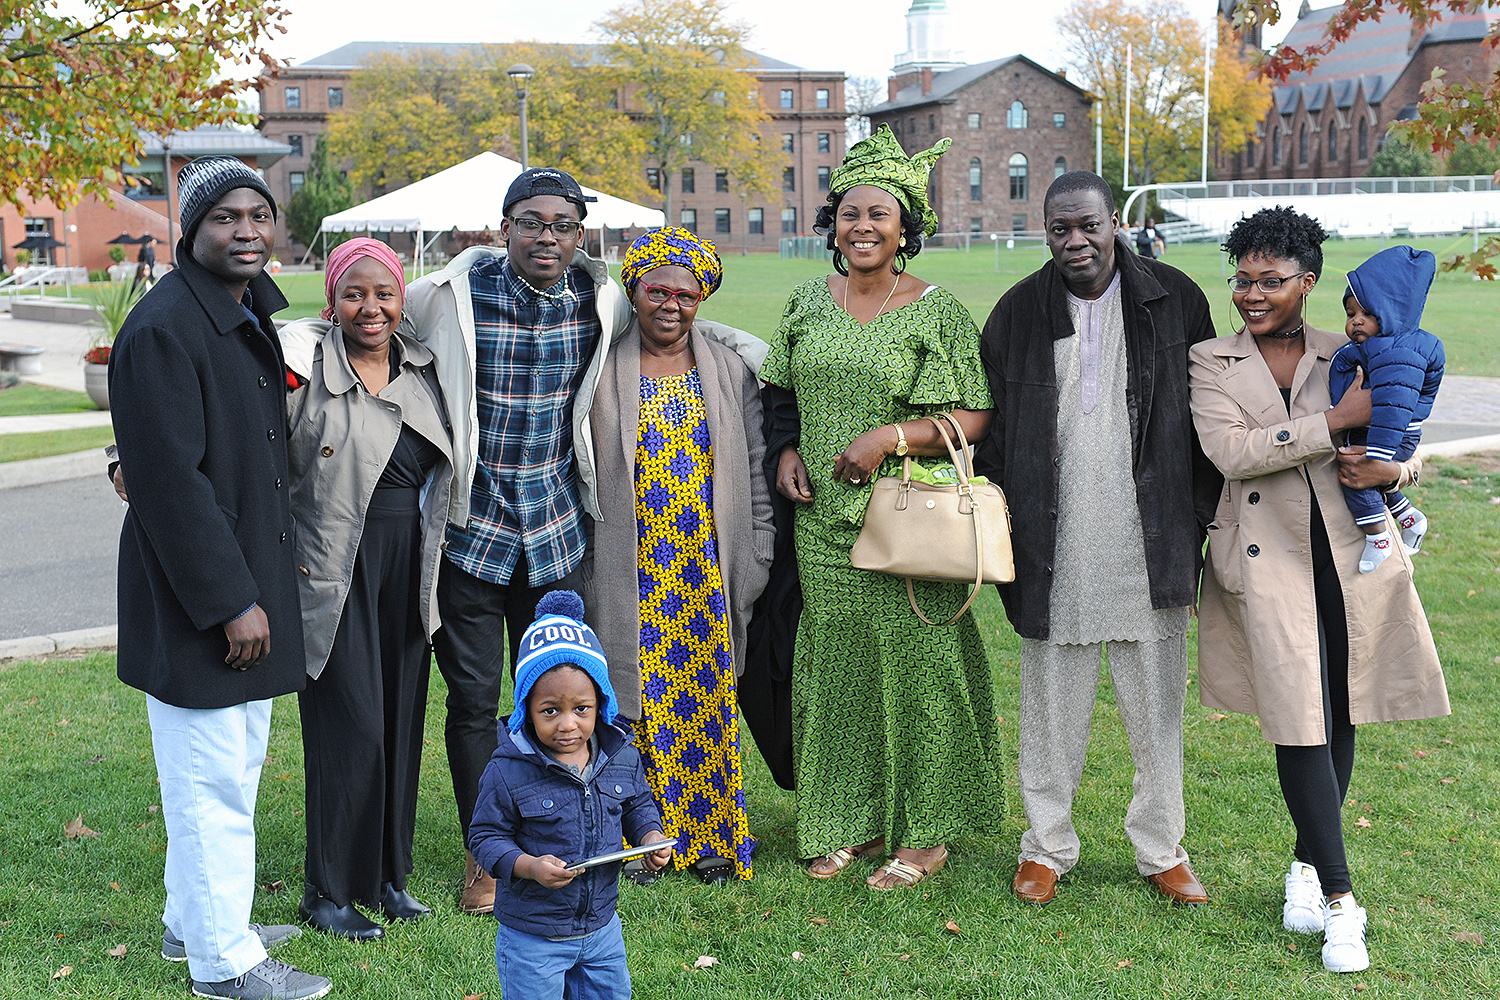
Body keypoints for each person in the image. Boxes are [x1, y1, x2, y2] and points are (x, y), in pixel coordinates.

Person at [389, 166, 764, 913]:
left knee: (558, 700)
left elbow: (687, 317)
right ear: (504, 227)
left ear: (580, 235)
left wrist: (767, 359)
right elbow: (369, 324)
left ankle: (562, 829)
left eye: (562, 224)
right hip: (473, 532)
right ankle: (486, 858)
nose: (547, 236)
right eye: (532, 222)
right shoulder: (448, 299)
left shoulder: (600, 303)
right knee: (472, 702)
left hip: (556, 541)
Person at [1189, 205, 1448, 973]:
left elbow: (1406, 434)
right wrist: (1338, 419)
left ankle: (1303, 867)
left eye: (1271, 281)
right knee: (1299, 720)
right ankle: (1341, 900)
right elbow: (1231, 452)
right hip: (1266, 563)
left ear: (1308, 282)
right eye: (1242, 280)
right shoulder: (1211, 360)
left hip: (1349, 557)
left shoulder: (1355, 345)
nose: (1252, 295)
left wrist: (1395, 471)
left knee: (1340, 707)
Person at [760, 123, 1004, 890]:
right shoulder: (806, 301)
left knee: (920, 668)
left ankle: (926, 833)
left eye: (879, 215)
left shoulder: (937, 311)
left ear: (906, 229)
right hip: (821, 525)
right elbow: (780, 391)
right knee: (836, 670)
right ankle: (848, 821)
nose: (862, 228)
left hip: (906, 521)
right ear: (832, 226)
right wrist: (787, 448)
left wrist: (890, 437)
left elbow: (974, 418)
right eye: (849, 215)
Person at [108, 157, 329, 1000]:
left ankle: (193, 921)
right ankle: (225, 966)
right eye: (226, 217)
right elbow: (168, 482)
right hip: (204, 593)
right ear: (190, 230)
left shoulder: (241, 314)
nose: (247, 230)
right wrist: (232, 601)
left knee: (228, 767)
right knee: (210, 781)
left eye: (259, 215)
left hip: (247, 577)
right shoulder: (166, 327)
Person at [973, 171, 1221, 908]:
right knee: (1050, 703)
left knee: (1157, 707)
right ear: (1044, 231)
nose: (1075, 241)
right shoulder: (1018, 312)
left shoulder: (1174, 297)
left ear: (1115, 221)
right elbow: (993, 438)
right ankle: (1046, 847)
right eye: (1060, 229)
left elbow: (1209, 415)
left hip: (1152, 535)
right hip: (1054, 538)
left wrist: (1195, 515)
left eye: (1088, 225)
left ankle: (1162, 849)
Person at [582, 227, 774, 884]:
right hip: (631, 567)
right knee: (633, 705)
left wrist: (760, 548)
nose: (671, 304)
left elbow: (753, 461)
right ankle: (646, 843)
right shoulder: (603, 365)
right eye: (656, 290)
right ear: (633, 292)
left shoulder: (725, 366)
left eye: (686, 294)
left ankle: (713, 841)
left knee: (706, 701)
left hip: (705, 568)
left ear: (703, 299)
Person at [279, 239, 454, 939]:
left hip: (407, 568)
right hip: (332, 569)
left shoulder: (424, 369)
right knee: (349, 731)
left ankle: (387, 878)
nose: (371, 308)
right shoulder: (299, 366)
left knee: (399, 725)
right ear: (332, 298)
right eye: (355, 293)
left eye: (384, 293)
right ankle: (327, 891)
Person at [468, 591, 672, 1000]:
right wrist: (528, 866)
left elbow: (637, 804)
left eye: (581, 708)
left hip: (601, 930)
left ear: (601, 704)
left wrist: (650, 836)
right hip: (533, 937)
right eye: (550, 710)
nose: (567, 724)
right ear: (527, 708)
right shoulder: (507, 770)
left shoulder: (621, 756)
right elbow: (485, 839)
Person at [1331, 245, 1445, 573]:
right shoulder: (1385, 346)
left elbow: (1395, 405)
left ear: (1391, 311)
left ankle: (1378, 538)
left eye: (1366, 315)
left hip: (1388, 435)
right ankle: (1410, 517)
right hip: (1383, 430)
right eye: (1350, 314)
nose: (1355, 323)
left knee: (1356, 478)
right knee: (1369, 478)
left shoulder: (1399, 352)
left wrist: (1377, 455)